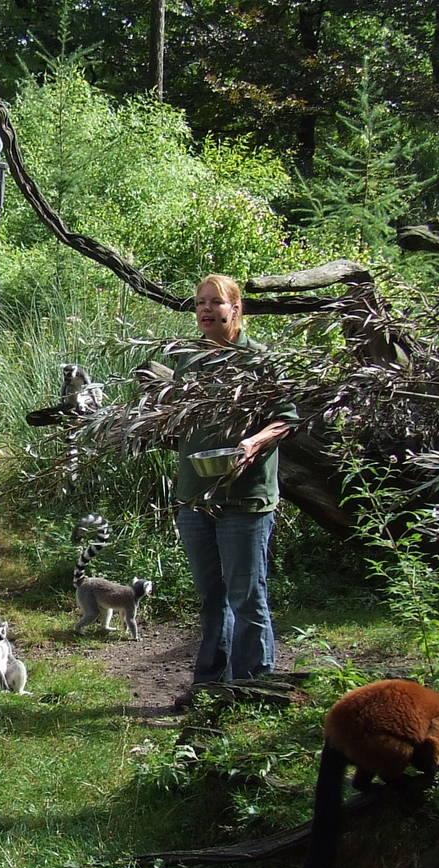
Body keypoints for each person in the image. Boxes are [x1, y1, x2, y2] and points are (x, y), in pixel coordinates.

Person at [162, 273, 294, 688]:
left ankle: (254, 686)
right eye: (199, 302)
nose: (204, 309)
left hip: (244, 498)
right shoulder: (188, 358)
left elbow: (287, 418)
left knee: (246, 597)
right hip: (195, 498)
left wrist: (253, 443)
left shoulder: (258, 360)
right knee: (211, 599)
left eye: (214, 302)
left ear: (235, 309)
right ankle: (211, 686)